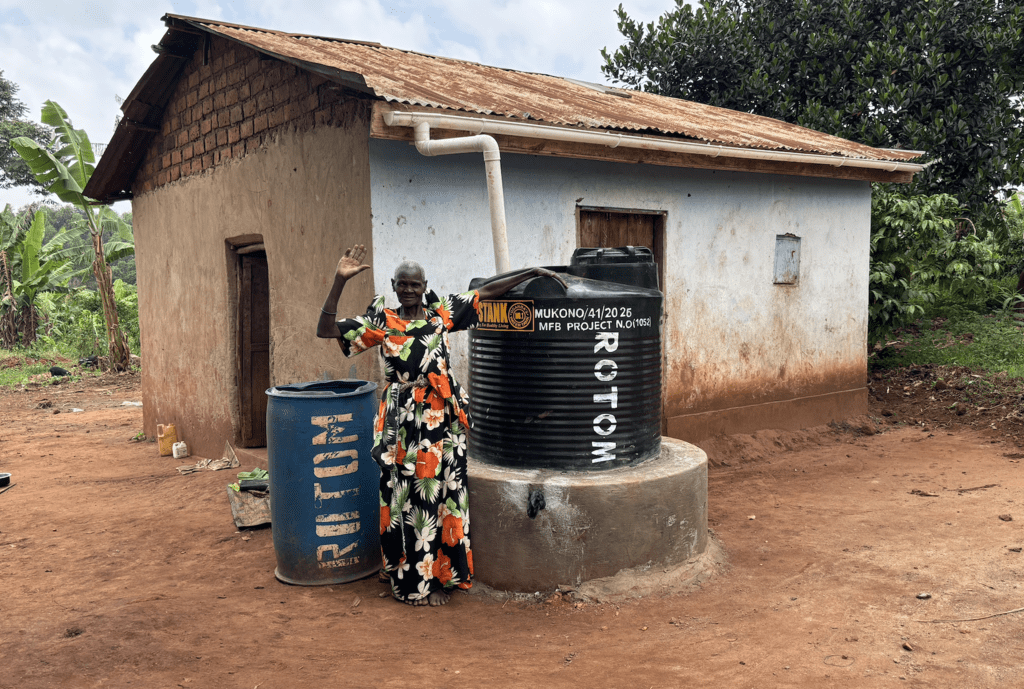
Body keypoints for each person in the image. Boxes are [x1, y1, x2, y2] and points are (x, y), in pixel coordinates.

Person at [317, 245, 566, 606]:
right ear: (394, 285)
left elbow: (484, 292)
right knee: (405, 498)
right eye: (401, 284)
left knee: (442, 496)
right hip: (401, 425)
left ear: (424, 286)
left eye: (414, 284)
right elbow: (325, 330)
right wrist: (339, 281)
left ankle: (439, 579)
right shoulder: (381, 323)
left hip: (442, 424)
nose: (408, 290)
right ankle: (407, 577)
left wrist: (530, 272)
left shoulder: (442, 316)